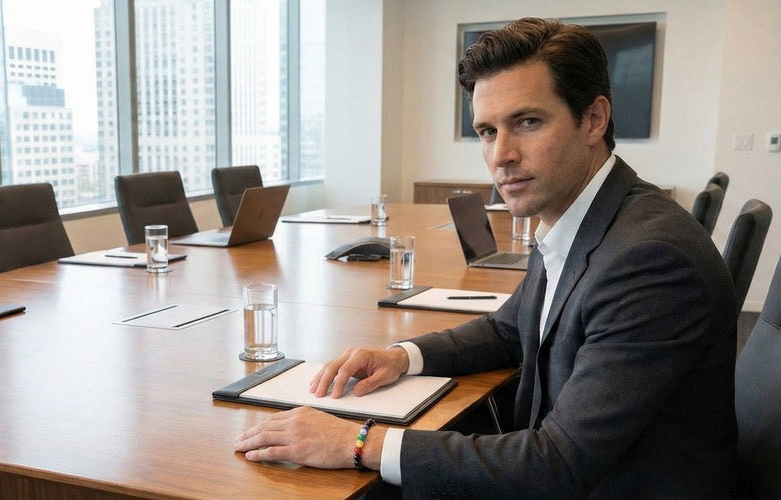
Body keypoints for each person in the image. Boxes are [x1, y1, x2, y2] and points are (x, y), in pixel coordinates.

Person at [234, 17, 741, 498]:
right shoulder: (578, 214)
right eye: (487, 131)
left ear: (593, 118)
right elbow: (509, 329)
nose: (501, 155)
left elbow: (557, 466)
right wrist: (400, 357)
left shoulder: (648, 260)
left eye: (527, 122)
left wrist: (358, 442)